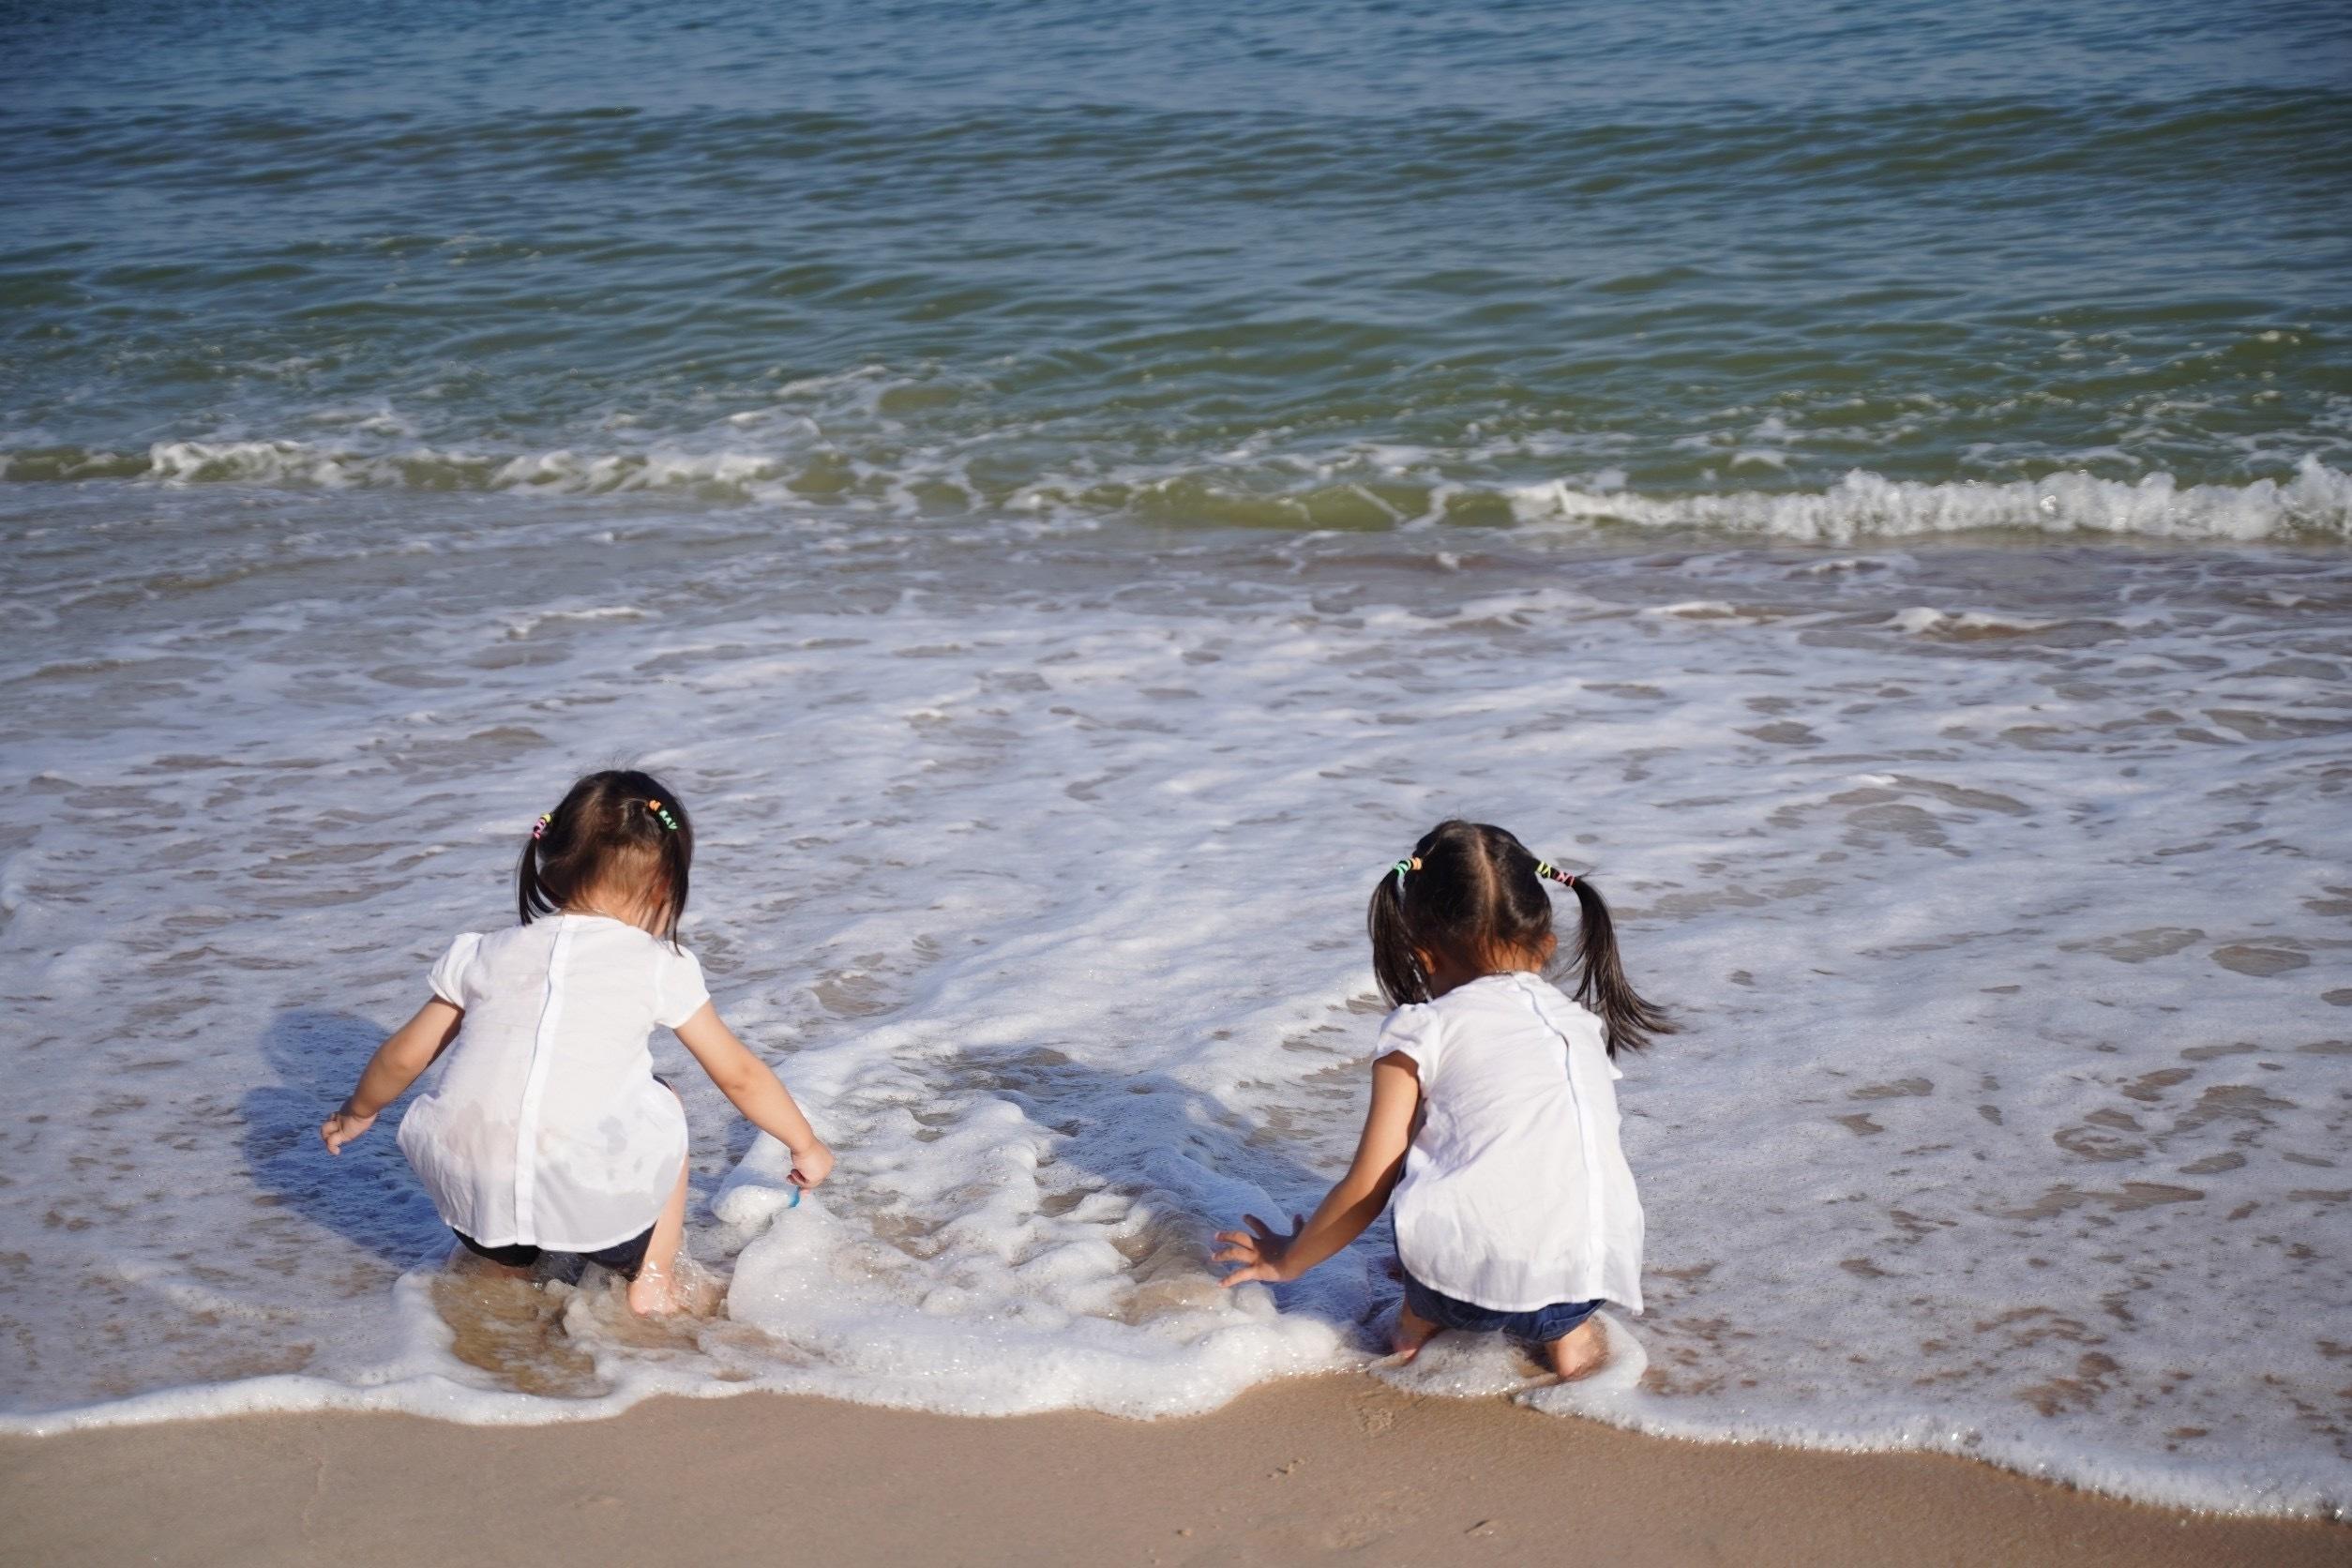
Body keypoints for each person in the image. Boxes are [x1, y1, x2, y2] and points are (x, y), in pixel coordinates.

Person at [320, 769, 833, 1314]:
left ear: (551, 865)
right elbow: (740, 1075)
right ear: (665, 884)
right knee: (662, 1098)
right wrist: (805, 1145)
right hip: (602, 1219)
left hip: (470, 1205)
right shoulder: (660, 967)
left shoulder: (480, 954)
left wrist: (357, 1112)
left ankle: (501, 1267)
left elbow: (404, 1055)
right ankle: (654, 1281)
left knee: (509, 1135)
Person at [1214, 819, 1670, 1378]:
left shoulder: (1423, 1029)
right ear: (1546, 945)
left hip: (1457, 1290)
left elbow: (1368, 1186)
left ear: (1422, 954)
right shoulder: (1578, 1025)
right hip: (1589, 1277)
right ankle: (1570, 1347)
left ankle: (1411, 1330)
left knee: (1427, 1188)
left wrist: (1287, 1261)